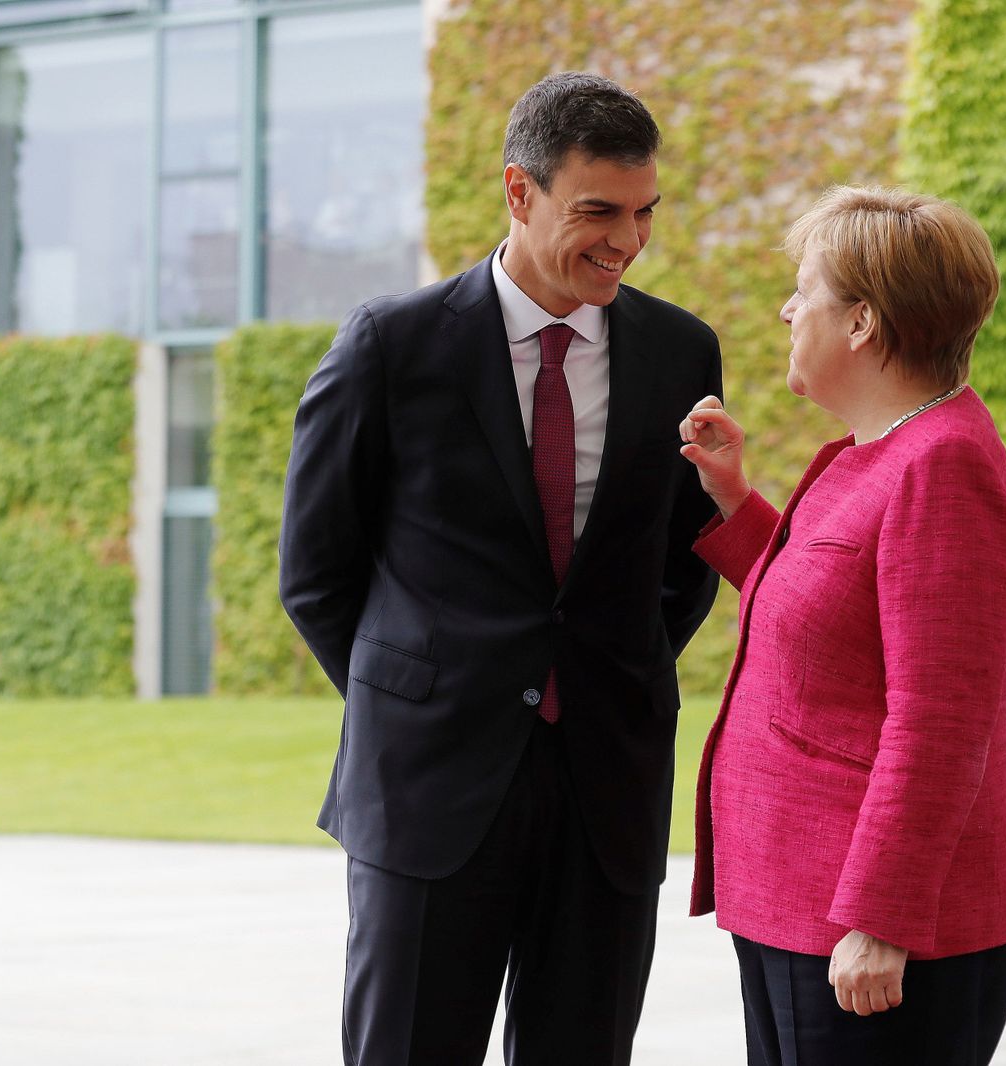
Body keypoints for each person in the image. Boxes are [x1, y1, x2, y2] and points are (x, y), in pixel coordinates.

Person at [279, 71, 721, 1066]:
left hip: (606, 782)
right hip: (427, 785)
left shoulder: (679, 349)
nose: (626, 241)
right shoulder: (390, 346)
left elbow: (684, 553)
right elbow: (315, 570)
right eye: (597, 212)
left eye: (645, 212)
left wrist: (619, 666)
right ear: (519, 193)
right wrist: (423, 693)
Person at [678, 185, 1006, 1065]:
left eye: (806, 291)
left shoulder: (942, 465)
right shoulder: (877, 450)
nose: (788, 309)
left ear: (864, 322)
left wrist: (880, 915)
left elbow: (943, 720)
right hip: (798, 898)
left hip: (867, 927)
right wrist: (734, 499)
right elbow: (827, 610)